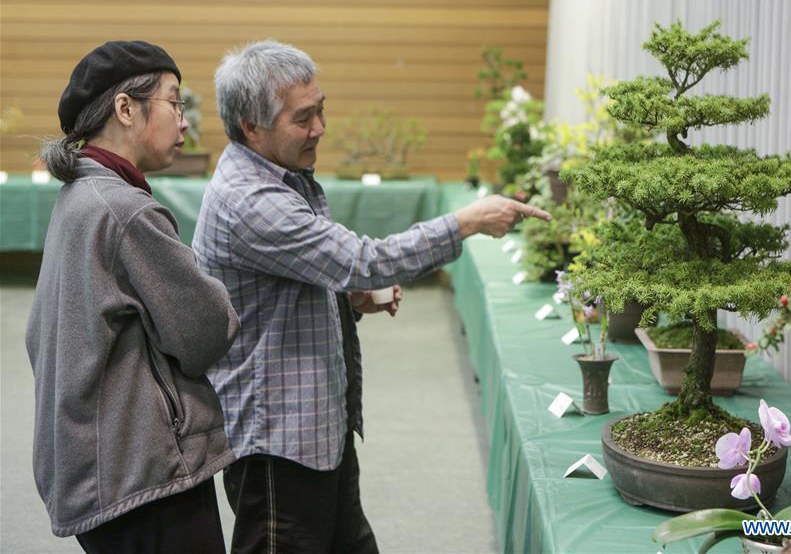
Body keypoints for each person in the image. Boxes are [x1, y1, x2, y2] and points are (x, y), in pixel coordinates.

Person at [191, 40, 551, 553]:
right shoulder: (249, 199)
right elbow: (361, 259)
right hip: (278, 442)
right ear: (252, 126)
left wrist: (347, 298)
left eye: (321, 110)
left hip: (314, 427)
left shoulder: (283, 176)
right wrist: (467, 221)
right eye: (304, 118)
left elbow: (309, 275)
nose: (320, 128)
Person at [26, 41, 240, 554]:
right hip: (142, 477)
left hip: (92, 465)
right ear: (126, 109)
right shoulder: (126, 211)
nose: (185, 120)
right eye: (175, 102)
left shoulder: (80, 195)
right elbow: (208, 332)